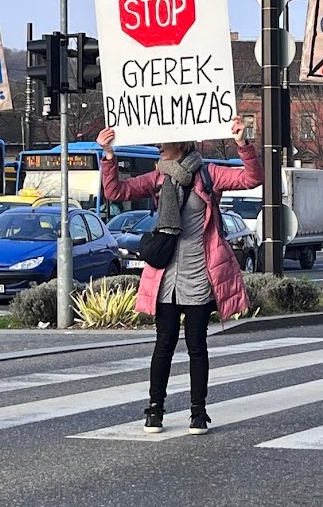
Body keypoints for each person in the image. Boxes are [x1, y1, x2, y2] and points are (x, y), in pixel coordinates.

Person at [97, 117, 261, 435]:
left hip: (199, 272)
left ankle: (198, 413)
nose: (159, 146)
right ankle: (154, 409)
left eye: (165, 142)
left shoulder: (208, 174)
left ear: (182, 143)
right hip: (165, 276)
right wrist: (108, 155)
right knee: (164, 344)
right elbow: (115, 191)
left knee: (197, 345)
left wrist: (243, 144)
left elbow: (251, 178)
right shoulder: (158, 176)